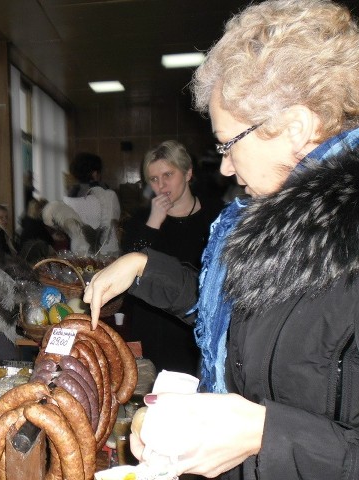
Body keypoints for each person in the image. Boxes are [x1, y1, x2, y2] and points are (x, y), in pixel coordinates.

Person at [83, 1, 359, 479]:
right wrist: (143, 266)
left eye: (229, 144)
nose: (226, 167)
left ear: (295, 127)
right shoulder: (263, 223)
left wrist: (264, 433)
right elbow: (239, 319)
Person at [121, 140, 222, 375]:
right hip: (152, 324)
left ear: (188, 173)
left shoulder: (217, 215)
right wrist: (154, 221)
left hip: (195, 327)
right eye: (154, 179)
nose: (161, 184)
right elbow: (128, 269)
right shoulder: (142, 219)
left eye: (168, 174)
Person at [65, 152, 121, 255]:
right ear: (95, 174)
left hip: (79, 254)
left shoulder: (67, 199)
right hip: (107, 253)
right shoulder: (110, 195)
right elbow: (115, 223)